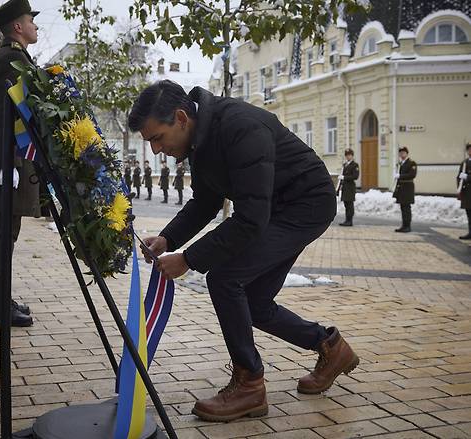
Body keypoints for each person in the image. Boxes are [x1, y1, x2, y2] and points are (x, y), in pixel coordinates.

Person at [128, 80, 357, 422]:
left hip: (305, 204)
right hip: (273, 207)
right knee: (254, 303)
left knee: (225, 278)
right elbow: (206, 200)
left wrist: (189, 260)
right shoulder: (200, 139)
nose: (157, 149)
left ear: (180, 118)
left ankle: (250, 385)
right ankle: (330, 347)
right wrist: (168, 239)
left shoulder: (240, 126)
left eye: (157, 138)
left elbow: (250, 220)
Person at [0, 0, 42, 327]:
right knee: (3, 232)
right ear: (17, 26)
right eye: (31, 20)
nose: (35, 25)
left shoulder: (10, 57)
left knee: (6, 231)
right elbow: (5, 114)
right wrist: (9, 164)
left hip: (7, 154)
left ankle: (1, 300)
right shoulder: (10, 60)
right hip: (7, 155)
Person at [393, 146, 417, 233]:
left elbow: (412, 174)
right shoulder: (400, 164)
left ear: (407, 153)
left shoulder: (411, 163)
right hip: (401, 188)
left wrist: (400, 176)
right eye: (400, 153)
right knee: (403, 207)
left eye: (403, 152)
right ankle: (404, 225)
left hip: (408, 187)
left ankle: (408, 226)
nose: (402, 154)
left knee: (407, 208)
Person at [338, 148, 359, 227]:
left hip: (350, 188)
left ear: (352, 156)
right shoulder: (345, 165)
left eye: (349, 155)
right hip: (345, 188)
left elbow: (355, 176)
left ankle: (350, 221)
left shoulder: (355, 165)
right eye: (346, 155)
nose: (348, 157)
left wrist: (344, 177)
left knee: (350, 205)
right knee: (346, 204)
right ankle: (347, 220)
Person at [458, 143, 471, 240]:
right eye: (469, 150)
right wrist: (459, 187)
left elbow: (465, 176)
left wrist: (468, 177)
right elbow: (459, 176)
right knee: (469, 213)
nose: (470, 152)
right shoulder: (464, 162)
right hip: (467, 192)